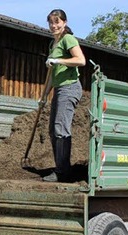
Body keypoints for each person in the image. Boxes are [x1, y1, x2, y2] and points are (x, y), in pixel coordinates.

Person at [42, 9, 86, 182]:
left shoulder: (68, 39)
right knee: (53, 130)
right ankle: (61, 167)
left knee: (61, 128)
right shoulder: (53, 44)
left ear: (64, 23)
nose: (54, 26)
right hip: (58, 89)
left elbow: (80, 60)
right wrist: (44, 95)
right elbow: (52, 76)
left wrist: (59, 60)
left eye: (57, 22)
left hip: (70, 88)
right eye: (51, 22)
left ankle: (62, 172)